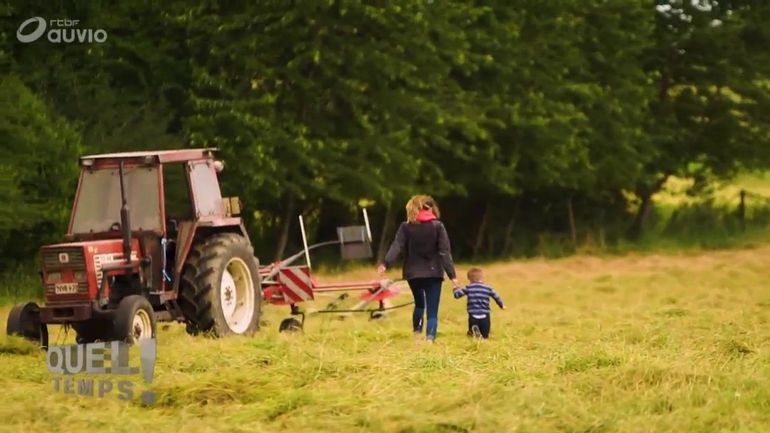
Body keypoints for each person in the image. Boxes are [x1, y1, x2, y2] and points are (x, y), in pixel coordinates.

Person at [378, 195, 458, 342]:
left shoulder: (406, 227)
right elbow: (444, 253)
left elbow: (397, 246)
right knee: (432, 311)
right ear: (431, 208)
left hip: (413, 273)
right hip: (434, 273)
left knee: (419, 304)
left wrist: (385, 263)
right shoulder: (437, 226)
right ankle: (430, 339)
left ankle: (417, 336)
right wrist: (452, 276)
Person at [453, 267, 505, 339]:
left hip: (473, 315)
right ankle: (482, 335)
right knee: (485, 335)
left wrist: (456, 287)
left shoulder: (468, 287)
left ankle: (473, 331)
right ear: (482, 277)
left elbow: (457, 295)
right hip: (485, 315)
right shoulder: (488, 288)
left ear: (469, 279)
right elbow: (496, 296)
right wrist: (501, 305)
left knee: (472, 334)